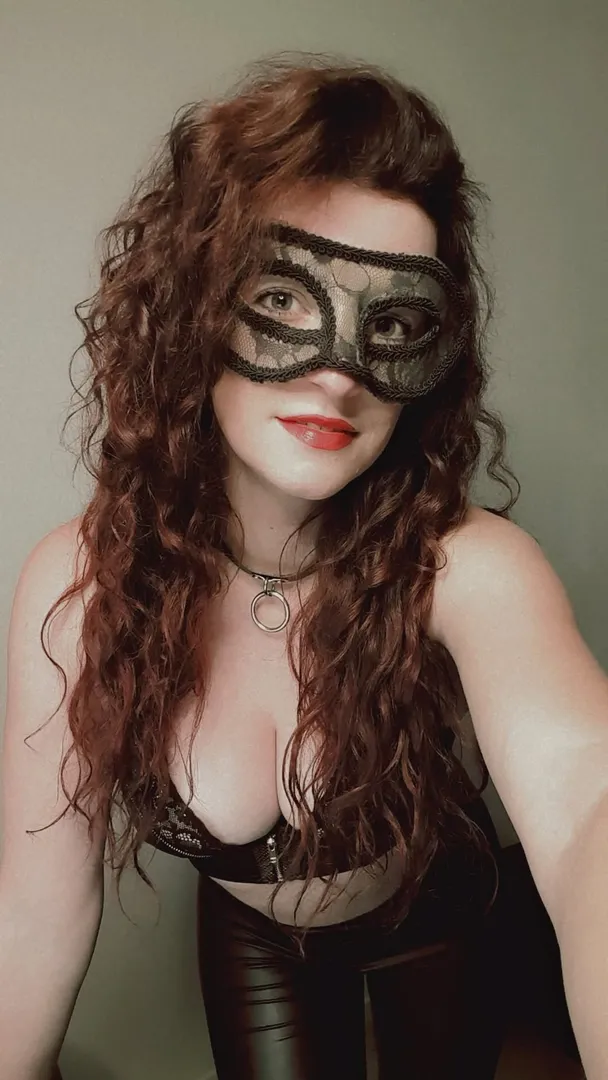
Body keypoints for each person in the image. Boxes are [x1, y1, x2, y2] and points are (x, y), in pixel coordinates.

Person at [4, 53, 603, 1080]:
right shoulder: (80, 588)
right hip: (254, 940)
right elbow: (32, 906)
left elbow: (590, 810)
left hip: (435, 926)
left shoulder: (465, 567)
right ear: (195, 303)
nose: (337, 372)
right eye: (283, 297)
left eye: (394, 323)